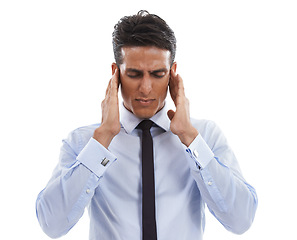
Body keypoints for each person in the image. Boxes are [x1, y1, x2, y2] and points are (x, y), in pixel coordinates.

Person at [36, 10, 258, 240]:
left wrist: (191, 139)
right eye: (134, 74)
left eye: (157, 74)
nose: (145, 88)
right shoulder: (84, 141)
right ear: (116, 74)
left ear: (172, 74)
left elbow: (240, 220)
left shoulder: (205, 136)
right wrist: (102, 140)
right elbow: (52, 225)